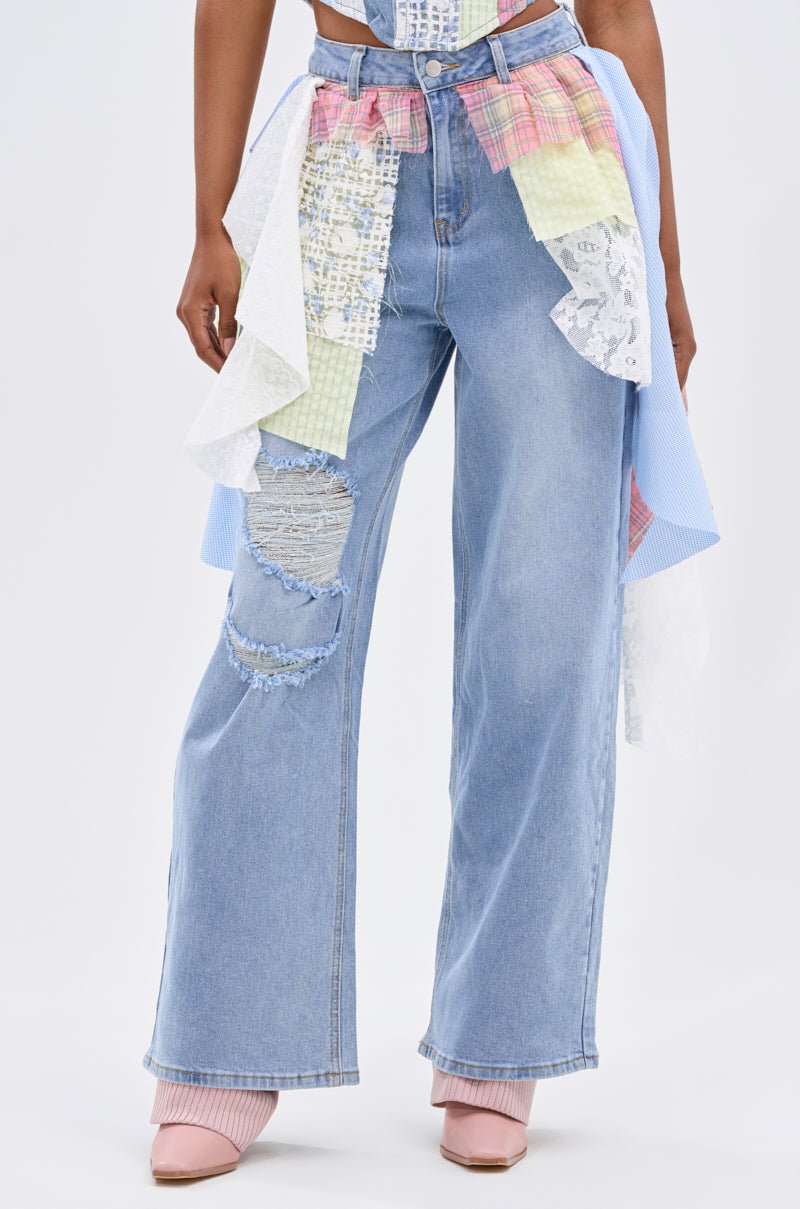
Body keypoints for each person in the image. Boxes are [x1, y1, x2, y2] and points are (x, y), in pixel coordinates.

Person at [143, 0, 718, 1179]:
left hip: (548, 175)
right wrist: (210, 217)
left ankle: (497, 1041)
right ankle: (222, 1047)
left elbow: (617, 12)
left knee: (539, 630)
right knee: (280, 614)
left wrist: (662, 261)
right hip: (348, 177)